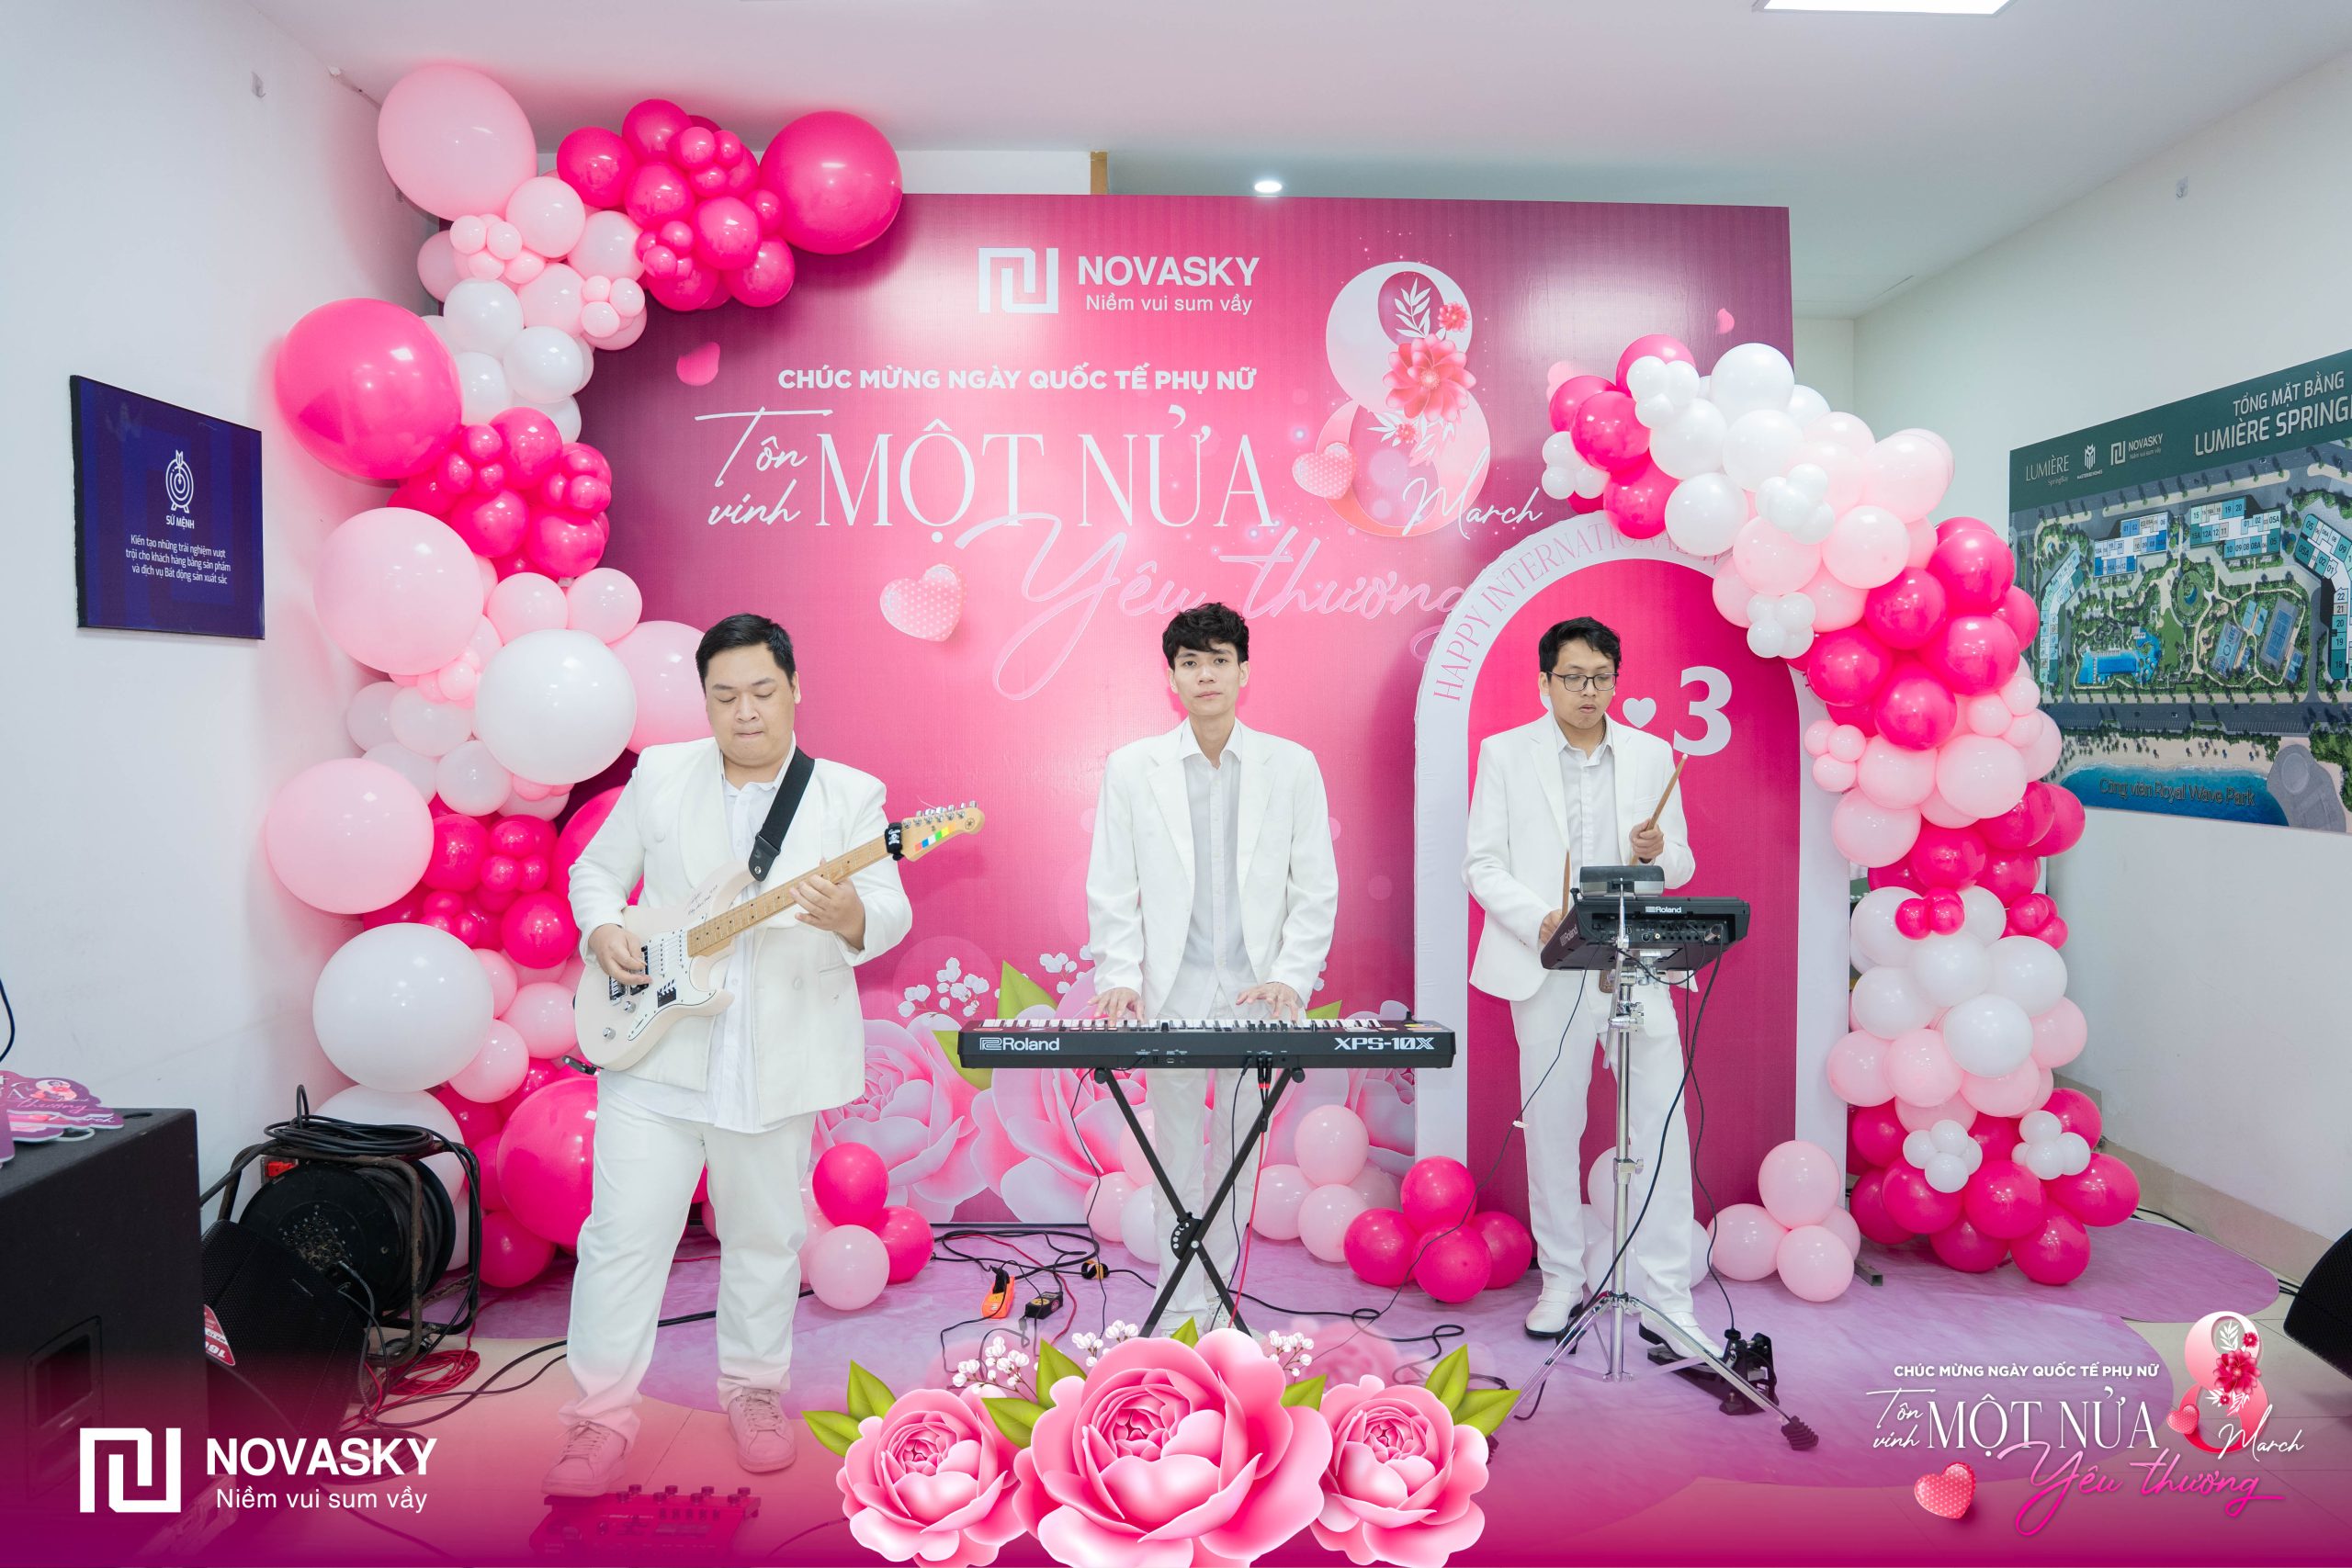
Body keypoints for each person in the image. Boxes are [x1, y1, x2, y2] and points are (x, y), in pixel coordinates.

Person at [548, 613, 912, 1496]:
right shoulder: (661, 774)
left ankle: (755, 1392)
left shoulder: (847, 794)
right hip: (656, 1054)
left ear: (795, 689)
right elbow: (595, 872)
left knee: (764, 1239)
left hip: (776, 1060)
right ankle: (597, 1419)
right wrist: (601, 929)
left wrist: (849, 916)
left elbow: (889, 907)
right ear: (705, 699)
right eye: (725, 695)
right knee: (621, 1240)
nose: (745, 711)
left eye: (762, 691)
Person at [1086, 604, 1339, 1330]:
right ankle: (1176, 1307)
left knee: (1238, 1160)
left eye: (1219, 659)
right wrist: (1119, 976)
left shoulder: (1291, 765)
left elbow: (1315, 885)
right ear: (1172, 677)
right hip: (1171, 993)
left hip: (1257, 994)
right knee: (1172, 1157)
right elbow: (1112, 885)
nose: (1206, 674)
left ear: (1243, 671)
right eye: (1191, 662)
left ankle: (1221, 1308)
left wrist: (1291, 976)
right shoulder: (1132, 768)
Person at [1462, 615, 1702, 1351]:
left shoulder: (1652, 754)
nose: (1588, 690)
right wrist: (1539, 917)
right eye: (1573, 677)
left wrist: (1658, 853)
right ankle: (1561, 1279)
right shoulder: (1506, 752)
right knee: (1553, 1127)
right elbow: (1482, 863)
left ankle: (1667, 1293)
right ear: (1545, 682)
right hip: (1549, 962)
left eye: (1601, 677)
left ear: (1616, 682)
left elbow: (1682, 864)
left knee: (1659, 1124)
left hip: (1635, 964)